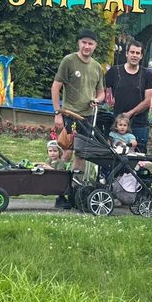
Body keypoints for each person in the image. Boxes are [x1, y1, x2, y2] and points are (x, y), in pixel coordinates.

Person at [51, 29, 105, 207]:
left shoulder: (97, 67)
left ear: (95, 46)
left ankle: (75, 194)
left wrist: (97, 100)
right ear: (78, 43)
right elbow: (55, 87)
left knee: (81, 155)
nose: (87, 46)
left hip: (88, 118)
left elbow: (101, 92)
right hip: (70, 116)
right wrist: (58, 112)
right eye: (84, 42)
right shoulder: (68, 61)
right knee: (67, 151)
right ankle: (60, 194)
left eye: (90, 43)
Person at [105, 39, 152, 152]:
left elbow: (148, 101)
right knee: (114, 161)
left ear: (141, 56)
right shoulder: (114, 71)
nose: (134, 55)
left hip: (139, 124)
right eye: (132, 52)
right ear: (127, 53)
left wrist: (129, 114)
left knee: (138, 162)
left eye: (137, 53)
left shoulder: (147, 75)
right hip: (118, 126)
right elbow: (102, 90)